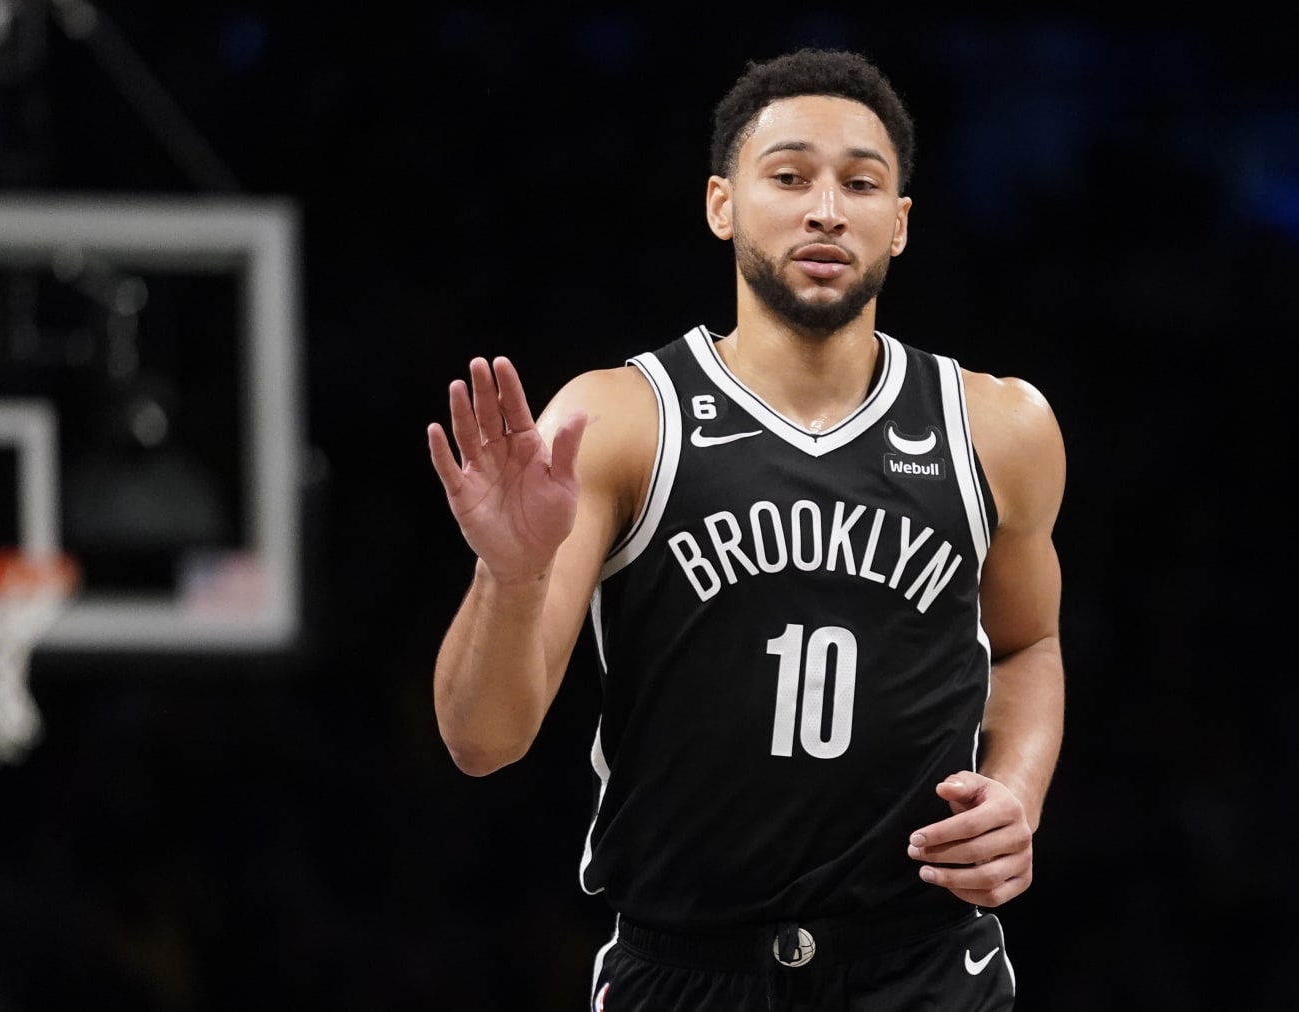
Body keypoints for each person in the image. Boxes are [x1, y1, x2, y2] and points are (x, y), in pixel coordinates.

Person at [426, 47, 1065, 1011]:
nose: (825, 209)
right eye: (790, 176)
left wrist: (1017, 786)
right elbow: (482, 743)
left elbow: (1029, 642)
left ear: (898, 225)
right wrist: (509, 579)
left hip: (923, 963)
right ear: (722, 204)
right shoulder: (618, 421)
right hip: (689, 964)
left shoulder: (1001, 427)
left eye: (860, 183)